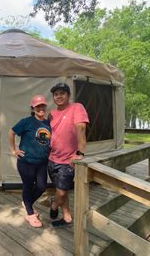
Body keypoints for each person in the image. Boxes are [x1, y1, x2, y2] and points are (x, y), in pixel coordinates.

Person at [47, 82, 89, 227]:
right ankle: (67, 217)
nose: (59, 96)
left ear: (69, 95)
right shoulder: (51, 114)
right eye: (56, 94)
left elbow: (81, 129)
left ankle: (53, 206)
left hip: (68, 160)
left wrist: (80, 153)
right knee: (60, 189)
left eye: (62, 93)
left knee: (62, 192)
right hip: (52, 159)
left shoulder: (77, 107)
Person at [8, 95, 51, 228]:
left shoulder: (48, 123)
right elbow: (11, 132)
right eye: (37, 106)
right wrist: (13, 150)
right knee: (27, 186)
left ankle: (27, 202)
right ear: (33, 108)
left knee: (42, 186)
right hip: (26, 162)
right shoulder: (26, 122)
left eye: (42, 105)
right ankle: (30, 214)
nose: (41, 109)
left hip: (42, 162)